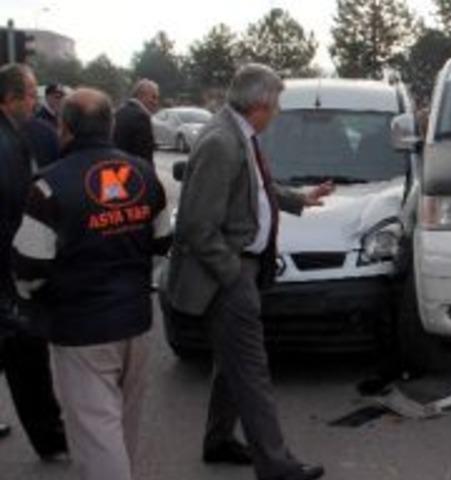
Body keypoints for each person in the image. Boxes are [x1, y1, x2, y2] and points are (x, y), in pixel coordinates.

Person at [168, 64, 332, 480]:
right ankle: (276, 465)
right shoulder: (222, 141)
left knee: (232, 362)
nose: (278, 110)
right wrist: (230, 273)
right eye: (275, 103)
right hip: (227, 272)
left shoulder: (239, 133)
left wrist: (299, 198)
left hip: (240, 268)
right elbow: (195, 225)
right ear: (259, 104)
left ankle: (219, 440)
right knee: (252, 368)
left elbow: (253, 190)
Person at [12, 87, 171, 480]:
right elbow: (163, 241)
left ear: (65, 127)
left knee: (97, 434)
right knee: (121, 428)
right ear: (110, 124)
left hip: (81, 328)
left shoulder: (47, 186)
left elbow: (29, 266)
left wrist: (35, 300)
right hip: (135, 319)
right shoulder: (145, 174)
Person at [0, 63, 67, 459]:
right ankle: (52, 440)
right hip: (8, 271)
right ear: (9, 98)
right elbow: (15, 211)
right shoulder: (7, 144)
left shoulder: (14, 135)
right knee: (27, 357)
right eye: (28, 94)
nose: (34, 101)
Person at [113, 79, 158, 164]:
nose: (155, 102)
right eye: (153, 97)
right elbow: (145, 155)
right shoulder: (141, 118)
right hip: (133, 170)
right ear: (141, 95)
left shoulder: (119, 112)